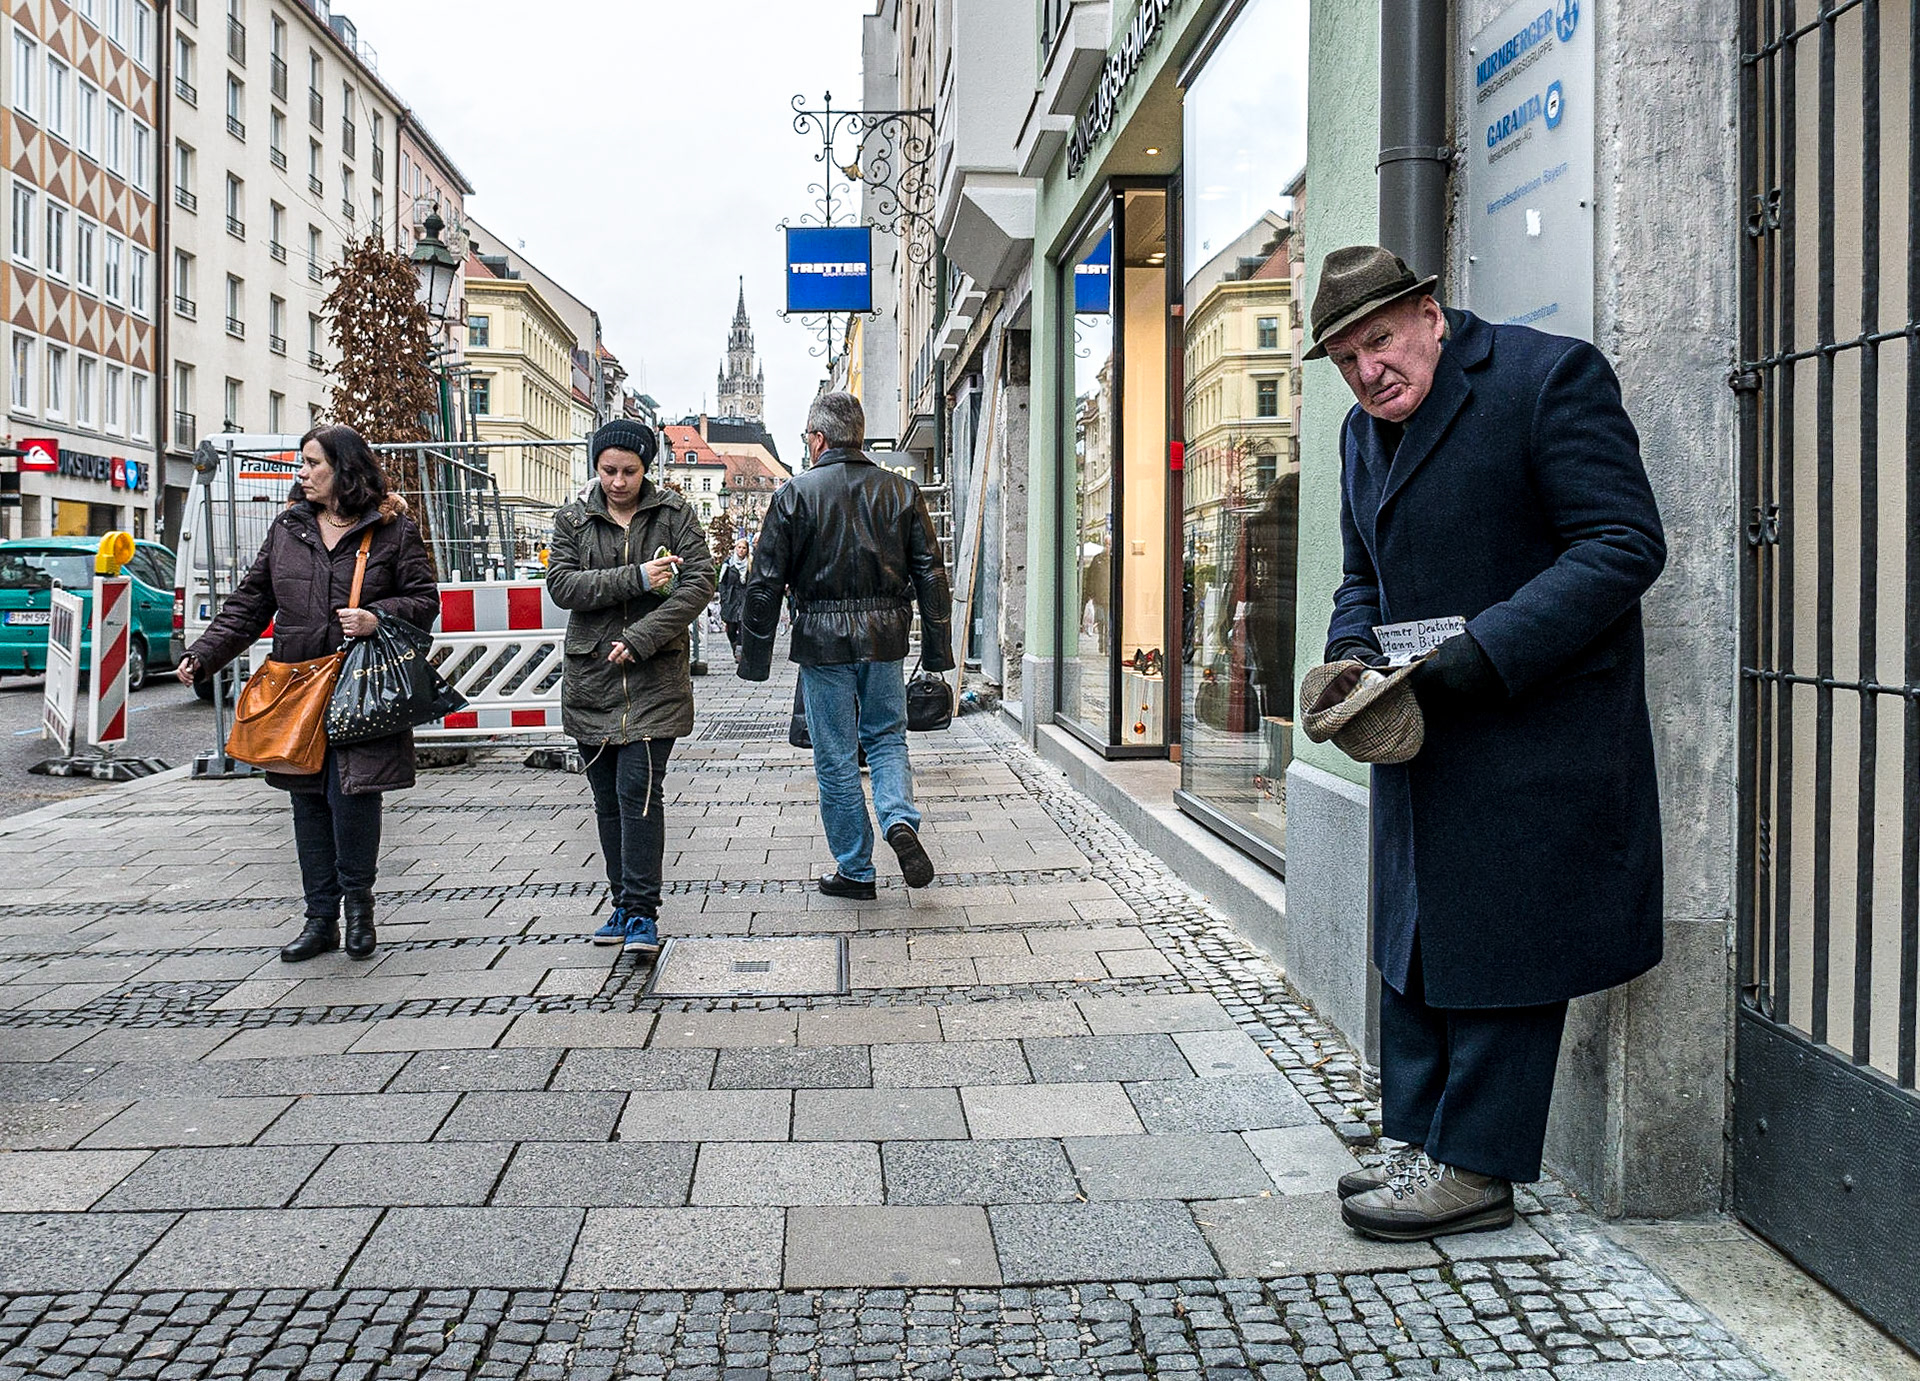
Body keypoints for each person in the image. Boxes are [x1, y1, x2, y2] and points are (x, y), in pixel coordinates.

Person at [1308, 245, 1667, 1241]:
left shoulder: (1547, 377)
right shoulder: (1356, 433)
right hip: (1418, 732)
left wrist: (1482, 651)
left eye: (1379, 340)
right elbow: (1360, 575)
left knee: (1508, 943)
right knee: (1416, 944)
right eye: (1344, 357)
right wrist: (1350, 655)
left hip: (1529, 726)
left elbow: (1624, 543)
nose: (1368, 370)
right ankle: (1420, 1140)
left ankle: (1476, 1169)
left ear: (1429, 313)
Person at [177, 424, 440, 963]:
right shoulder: (288, 528)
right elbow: (251, 603)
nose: (301, 474)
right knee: (308, 804)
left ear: (344, 469)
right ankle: (320, 920)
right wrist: (204, 654)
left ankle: (359, 912)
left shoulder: (391, 530)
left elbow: (424, 599)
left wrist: (376, 616)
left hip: (360, 687)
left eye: (311, 463)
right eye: (301, 463)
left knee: (354, 798)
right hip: (297, 685)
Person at [736, 391, 953, 898]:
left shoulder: (795, 494)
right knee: (886, 738)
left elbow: (764, 580)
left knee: (834, 755)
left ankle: (855, 869)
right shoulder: (900, 492)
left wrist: (755, 659)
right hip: (885, 639)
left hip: (821, 641)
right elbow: (930, 574)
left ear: (817, 439)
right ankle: (899, 819)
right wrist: (938, 651)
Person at [547, 419, 715, 956]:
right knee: (607, 801)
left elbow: (699, 582)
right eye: (608, 470)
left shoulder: (674, 514)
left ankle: (642, 912)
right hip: (592, 679)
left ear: (647, 469)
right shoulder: (573, 519)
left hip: (653, 678)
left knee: (638, 794)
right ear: (596, 467)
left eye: (630, 471)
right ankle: (621, 902)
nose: (618, 482)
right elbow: (563, 585)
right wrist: (638, 578)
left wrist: (642, 636)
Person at [718, 538, 750, 657]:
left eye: (744, 548)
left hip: (745, 598)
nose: (741, 550)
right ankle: (734, 645)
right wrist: (724, 596)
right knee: (731, 628)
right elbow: (722, 582)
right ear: (735, 548)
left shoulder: (750, 564)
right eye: (739, 547)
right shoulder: (728, 563)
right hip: (731, 598)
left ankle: (739, 653)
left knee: (742, 625)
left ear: (747, 550)